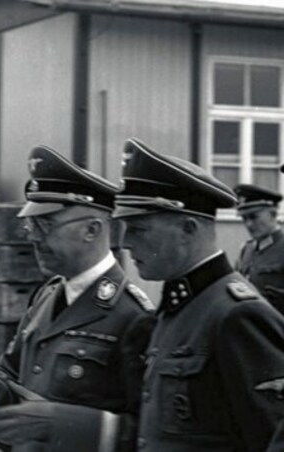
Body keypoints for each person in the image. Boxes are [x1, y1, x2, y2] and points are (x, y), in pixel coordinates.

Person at [0, 145, 155, 452]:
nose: (33, 236)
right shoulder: (48, 295)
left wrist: (65, 423)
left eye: (46, 225)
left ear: (92, 230)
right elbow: (13, 369)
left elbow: (148, 433)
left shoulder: (133, 316)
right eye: (31, 224)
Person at [114, 138, 284, 451]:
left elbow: (270, 436)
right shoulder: (181, 306)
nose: (126, 243)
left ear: (188, 228)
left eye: (138, 229)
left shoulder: (237, 315)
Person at [233, 184, 284, 314]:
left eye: (254, 217)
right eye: (244, 218)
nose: (248, 224)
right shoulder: (246, 249)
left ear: (273, 213)